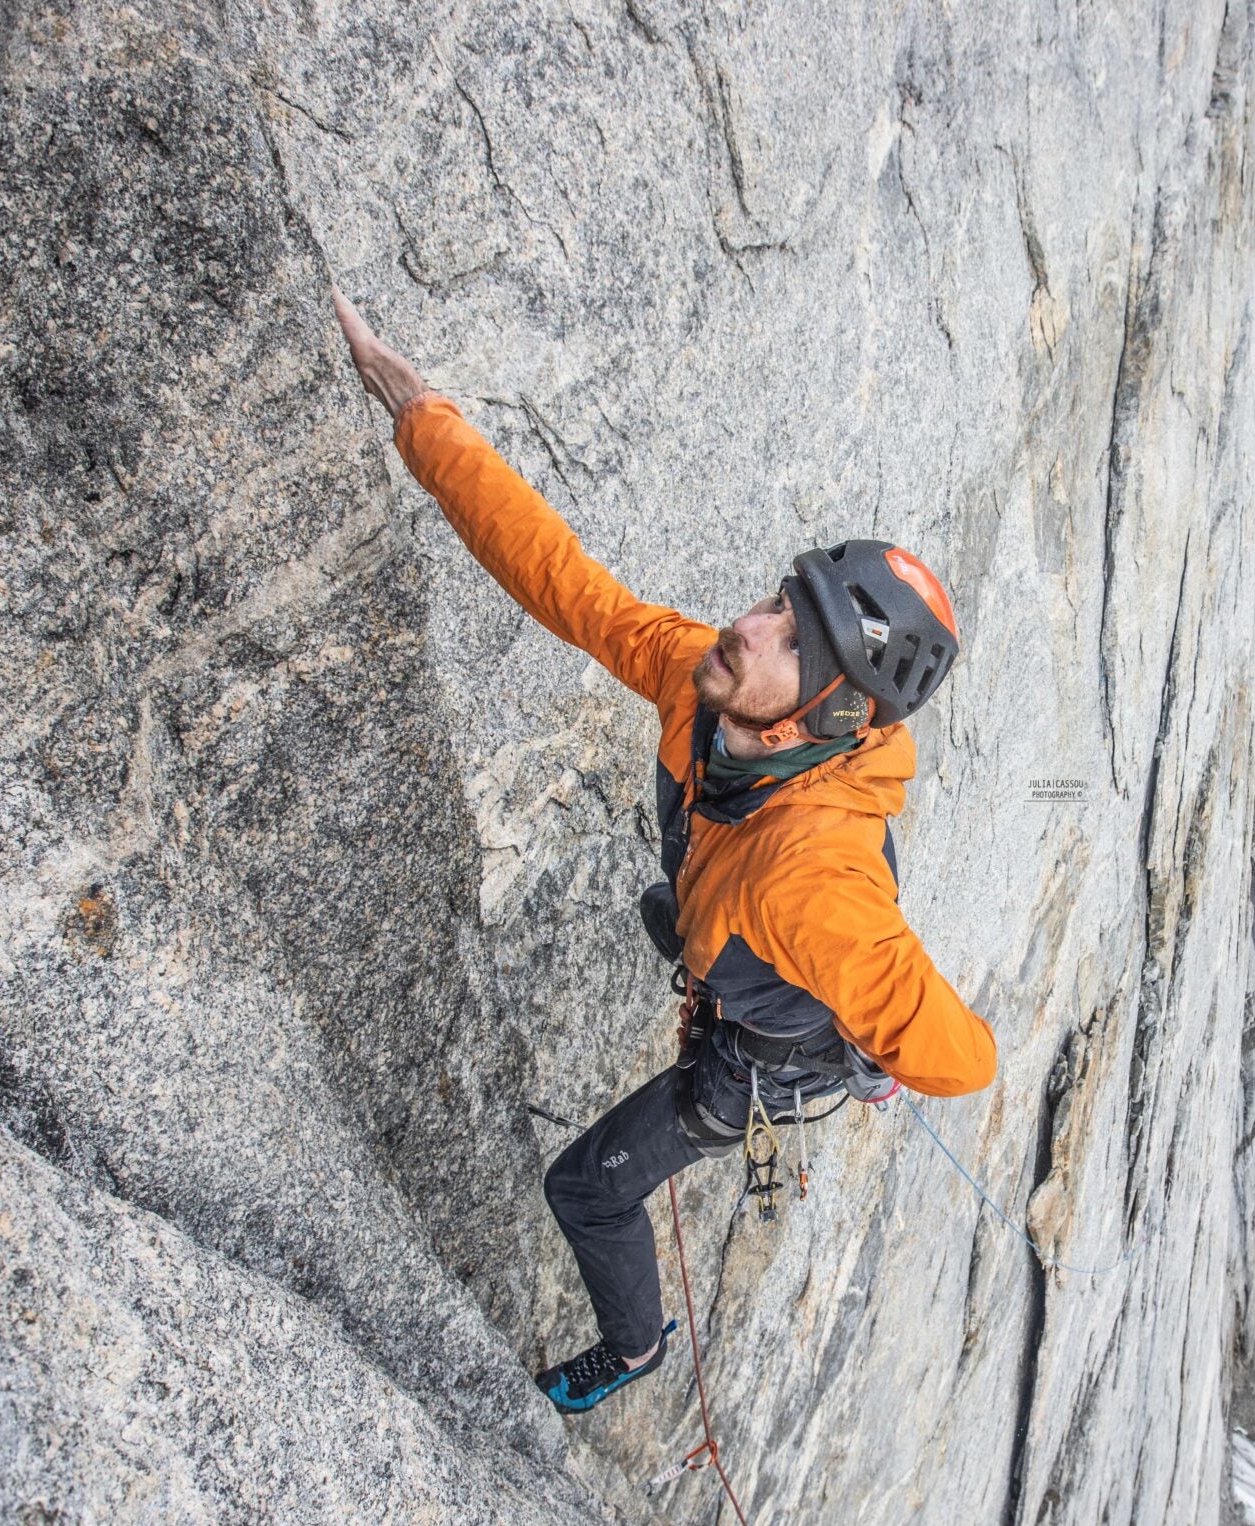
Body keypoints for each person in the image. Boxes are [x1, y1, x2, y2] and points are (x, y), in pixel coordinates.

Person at [333, 291, 998, 1414]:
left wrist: (881, 1037)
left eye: (791, 642)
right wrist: (421, 415)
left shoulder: (817, 887)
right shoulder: (705, 689)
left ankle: (634, 1350)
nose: (746, 627)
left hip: (761, 1061)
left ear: (819, 724)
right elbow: (566, 584)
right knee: (671, 907)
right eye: (781, 604)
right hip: (749, 948)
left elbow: (965, 1058)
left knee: (585, 1189)